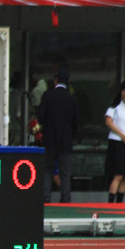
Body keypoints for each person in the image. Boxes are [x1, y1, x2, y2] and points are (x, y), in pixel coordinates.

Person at [37, 67, 79, 203]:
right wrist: (72, 136)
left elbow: (41, 116)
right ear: (68, 82)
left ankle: (45, 196)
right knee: (65, 172)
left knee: (47, 169)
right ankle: (65, 198)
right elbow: (75, 122)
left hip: (50, 138)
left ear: (56, 80)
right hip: (65, 140)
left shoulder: (48, 96)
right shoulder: (72, 99)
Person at [104, 79, 125, 203]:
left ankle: (119, 203)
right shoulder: (115, 105)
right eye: (123, 90)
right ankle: (111, 203)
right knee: (118, 175)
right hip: (117, 143)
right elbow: (108, 121)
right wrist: (121, 135)